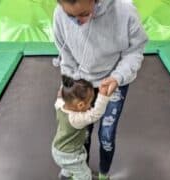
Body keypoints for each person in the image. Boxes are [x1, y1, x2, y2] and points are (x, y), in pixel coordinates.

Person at [53, 0, 148, 179]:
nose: (78, 22)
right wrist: (68, 84)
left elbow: (134, 51)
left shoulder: (125, 11)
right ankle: (80, 169)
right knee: (83, 133)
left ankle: (104, 173)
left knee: (107, 136)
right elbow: (65, 55)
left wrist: (117, 77)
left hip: (112, 80)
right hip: (80, 81)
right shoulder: (59, 14)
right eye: (71, 16)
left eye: (83, 14)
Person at [52, 75, 110, 180]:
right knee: (85, 175)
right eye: (90, 103)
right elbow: (95, 114)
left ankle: (64, 177)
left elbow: (60, 94)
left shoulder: (59, 105)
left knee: (68, 167)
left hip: (57, 149)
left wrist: (64, 86)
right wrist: (102, 95)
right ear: (80, 105)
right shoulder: (76, 119)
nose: (90, 106)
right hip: (70, 155)